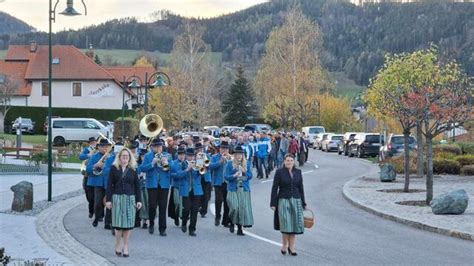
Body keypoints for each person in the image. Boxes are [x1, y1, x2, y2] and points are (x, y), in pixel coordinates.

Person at [105, 148, 142, 258]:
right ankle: (118, 243)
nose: (125, 158)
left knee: (128, 225)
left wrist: (139, 200)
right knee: (118, 225)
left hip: (130, 199)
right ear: (119, 157)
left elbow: (137, 186)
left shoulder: (133, 170)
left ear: (130, 157)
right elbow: (109, 185)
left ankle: (126, 246)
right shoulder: (113, 169)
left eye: (127, 156)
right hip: (117, 198)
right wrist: (108, 200)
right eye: (123, 156)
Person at [270, 154, 308, 256]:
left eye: (291, 160)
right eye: (287, 160)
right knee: (286, 224)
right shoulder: (279, 172)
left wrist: (303, 203)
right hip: (283, 200)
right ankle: (284, 245)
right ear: (284, 161)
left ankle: (292, 247)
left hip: (296, 200)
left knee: (294, 224)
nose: (289, 162)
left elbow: (301, 188)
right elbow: (274, 188)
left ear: (293, 161)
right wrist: (273, 203)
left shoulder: (298, 172)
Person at [140, 138, 172, 236]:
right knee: (152, 205)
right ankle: (151, 224)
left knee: (163, 207)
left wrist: (167, 163)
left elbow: (173, 169)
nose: (158, 148)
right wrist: (152, 163)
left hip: (164, 184)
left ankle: (162, 229)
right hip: (152, 184)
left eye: (160, 146)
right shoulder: (148, 156)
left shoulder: (168, 155)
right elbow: (142, 168)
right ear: (152, 147)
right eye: (156, 146)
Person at [224, 146, 253, 236]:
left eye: (240, 154)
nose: (239, 156)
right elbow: (226, 176)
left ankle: (240, 228)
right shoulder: (229, 164)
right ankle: (232, 221)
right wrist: (234, 176)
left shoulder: (246, 163)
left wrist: (244, 172)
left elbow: (250, 176)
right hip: (233, 189)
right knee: (234, 207)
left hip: (243, 189)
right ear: (234, 155)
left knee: (241, 209)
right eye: (237, 154)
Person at [175, 148, 203, 236]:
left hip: (196, 190)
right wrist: (187, 169)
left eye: (192, 156)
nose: (190, 157)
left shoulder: (198, 163)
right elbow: (178, 175)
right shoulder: (182, 164)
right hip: (186, 189)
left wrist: (199, 168)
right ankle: (184, 222)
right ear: (186, 156)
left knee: (195, 210)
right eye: (189, 156)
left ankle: (192, 229)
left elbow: (202, 174)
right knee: (186, 208)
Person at [86, 138, 112, 227]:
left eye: (106, 146)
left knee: (109, 203)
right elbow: (87, 169)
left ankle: (107, 223)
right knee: (97, 203)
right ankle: (96, 218)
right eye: (102, 146)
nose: (104, 148)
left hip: (108, 182)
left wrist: (105, 166)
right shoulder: (94, 156)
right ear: (99, 147)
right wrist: (95, 165)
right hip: (98, 183)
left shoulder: (112, 157)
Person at [209, 141, 231, 227]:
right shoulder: (214, 157)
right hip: (218, 182)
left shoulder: (231, 158)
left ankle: (226, 221)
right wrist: (220, 162)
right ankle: (217, 216)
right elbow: (210, 166)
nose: (224, 150)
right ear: (220, 149)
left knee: (227, 201)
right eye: (222, 148)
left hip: (227, 182)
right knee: (218, 200)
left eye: (226, 149)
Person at [79, 137, 96, 219]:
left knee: (96, 196)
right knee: (89, 196)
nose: (93, 143)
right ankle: (91, 209)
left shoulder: (98, 150)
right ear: (89, 143)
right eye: (92, 142)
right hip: (87, 175)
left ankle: (94, 211)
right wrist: (88, 155)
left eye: (94, 142)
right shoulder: (87, 149)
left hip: (95, 175)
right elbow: (80, 157)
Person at [169, 148, 186, 226]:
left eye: (183, 154)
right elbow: (171, 174)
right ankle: (176, 217)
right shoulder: (173, 163)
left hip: (185, 186)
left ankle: (183, 218)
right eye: (180, 155)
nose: (182, 156)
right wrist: (179, 174)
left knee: (184, 204)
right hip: (176, 186)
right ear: (177, 155)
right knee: (177, 203)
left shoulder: (187, 163)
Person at [195, 142, 212, 218]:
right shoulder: (194, 157)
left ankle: (203, 212)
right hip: (198, 178)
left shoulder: (207, 155)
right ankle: (198, 206)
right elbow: (198, 167)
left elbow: (209, 166)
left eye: (201, 149)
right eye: (198, 149)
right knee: (199, 195)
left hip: (206, 178)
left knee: (206, 196)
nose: (200, 150)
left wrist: (205, 160)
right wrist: (199, 160)